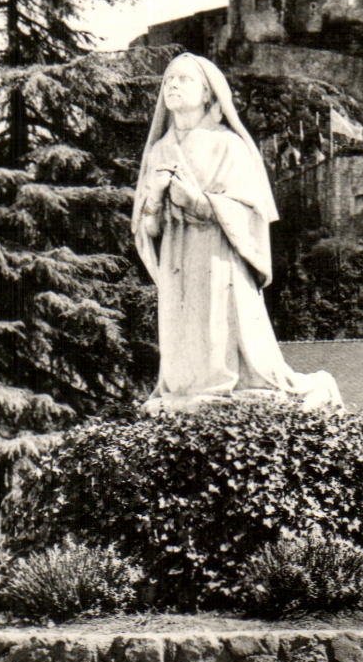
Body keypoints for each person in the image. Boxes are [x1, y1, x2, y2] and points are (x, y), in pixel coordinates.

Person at [132, 53, 341, 410]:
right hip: (177, 263)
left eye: (184, 79)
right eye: (168, 80)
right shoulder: (159, 150)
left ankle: (230, 383)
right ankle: (184, 386)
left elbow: (250, 214)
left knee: (222, 341)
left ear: (209, 95)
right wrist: (152, 202)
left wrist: (197, 202)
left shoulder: (230, 145)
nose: (173, 86)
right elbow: (148, 230)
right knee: (183, 349)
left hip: (219, 258)